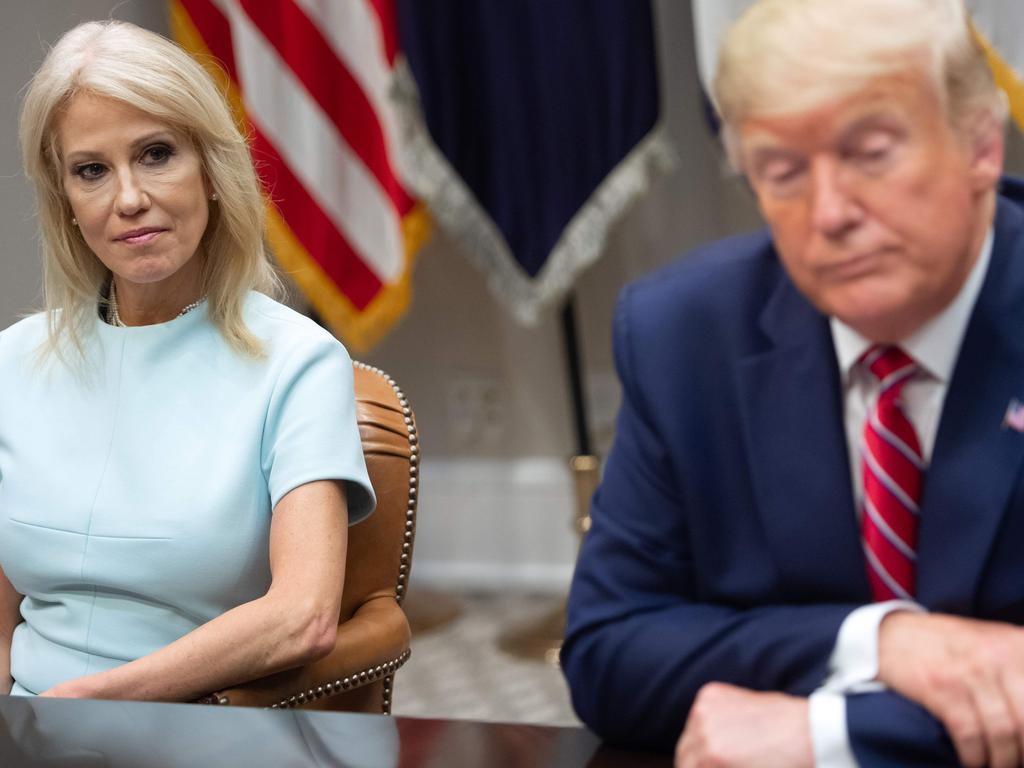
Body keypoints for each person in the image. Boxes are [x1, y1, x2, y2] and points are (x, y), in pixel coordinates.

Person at [561, 0, 1024, 766]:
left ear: (980, 144)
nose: (829, 213)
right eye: (782, 173)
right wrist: (882, 642)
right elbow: (612, 651)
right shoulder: (685, 332)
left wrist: (827, 737)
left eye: (871, 153)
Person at [0, 21, 375, 702]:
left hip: (202, 728)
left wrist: (87, 706)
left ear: (211, 170)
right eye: (91, 170)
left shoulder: (299, 362)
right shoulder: (11, 362)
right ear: (66, 204)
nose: (129, 198)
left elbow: (303, 616)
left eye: (155, 154)